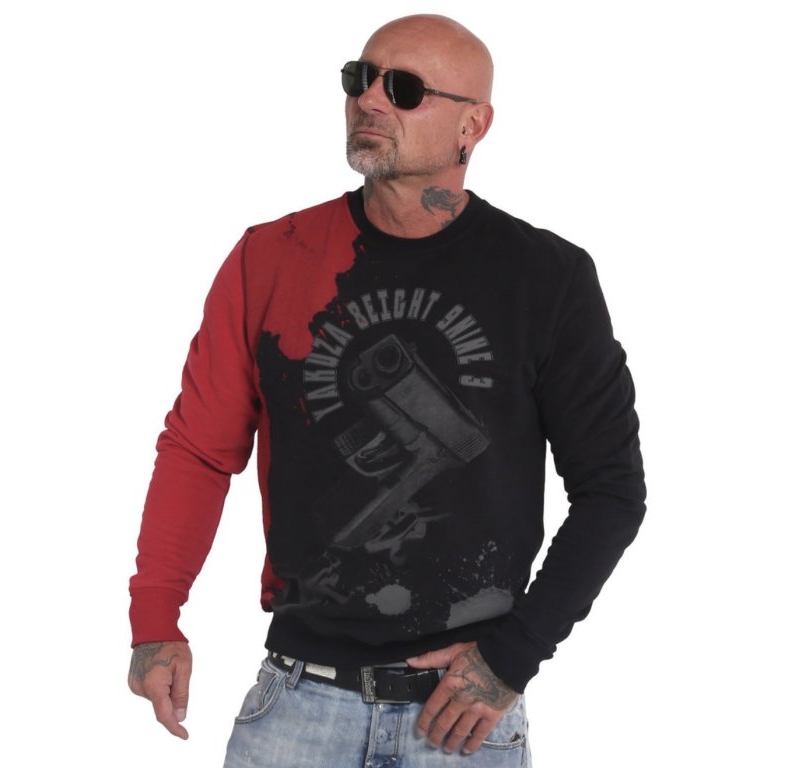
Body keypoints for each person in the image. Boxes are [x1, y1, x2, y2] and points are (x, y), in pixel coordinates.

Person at [127, 13, 646, 767]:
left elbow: (611, 492)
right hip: (298, 705)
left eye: (403, 89)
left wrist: (514, 656)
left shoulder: (548, 278)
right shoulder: (270, 258)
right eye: (359, 78)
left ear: (473, 126)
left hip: (462, 721)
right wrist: (155, 619)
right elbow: (199, 452)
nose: (370, 99)